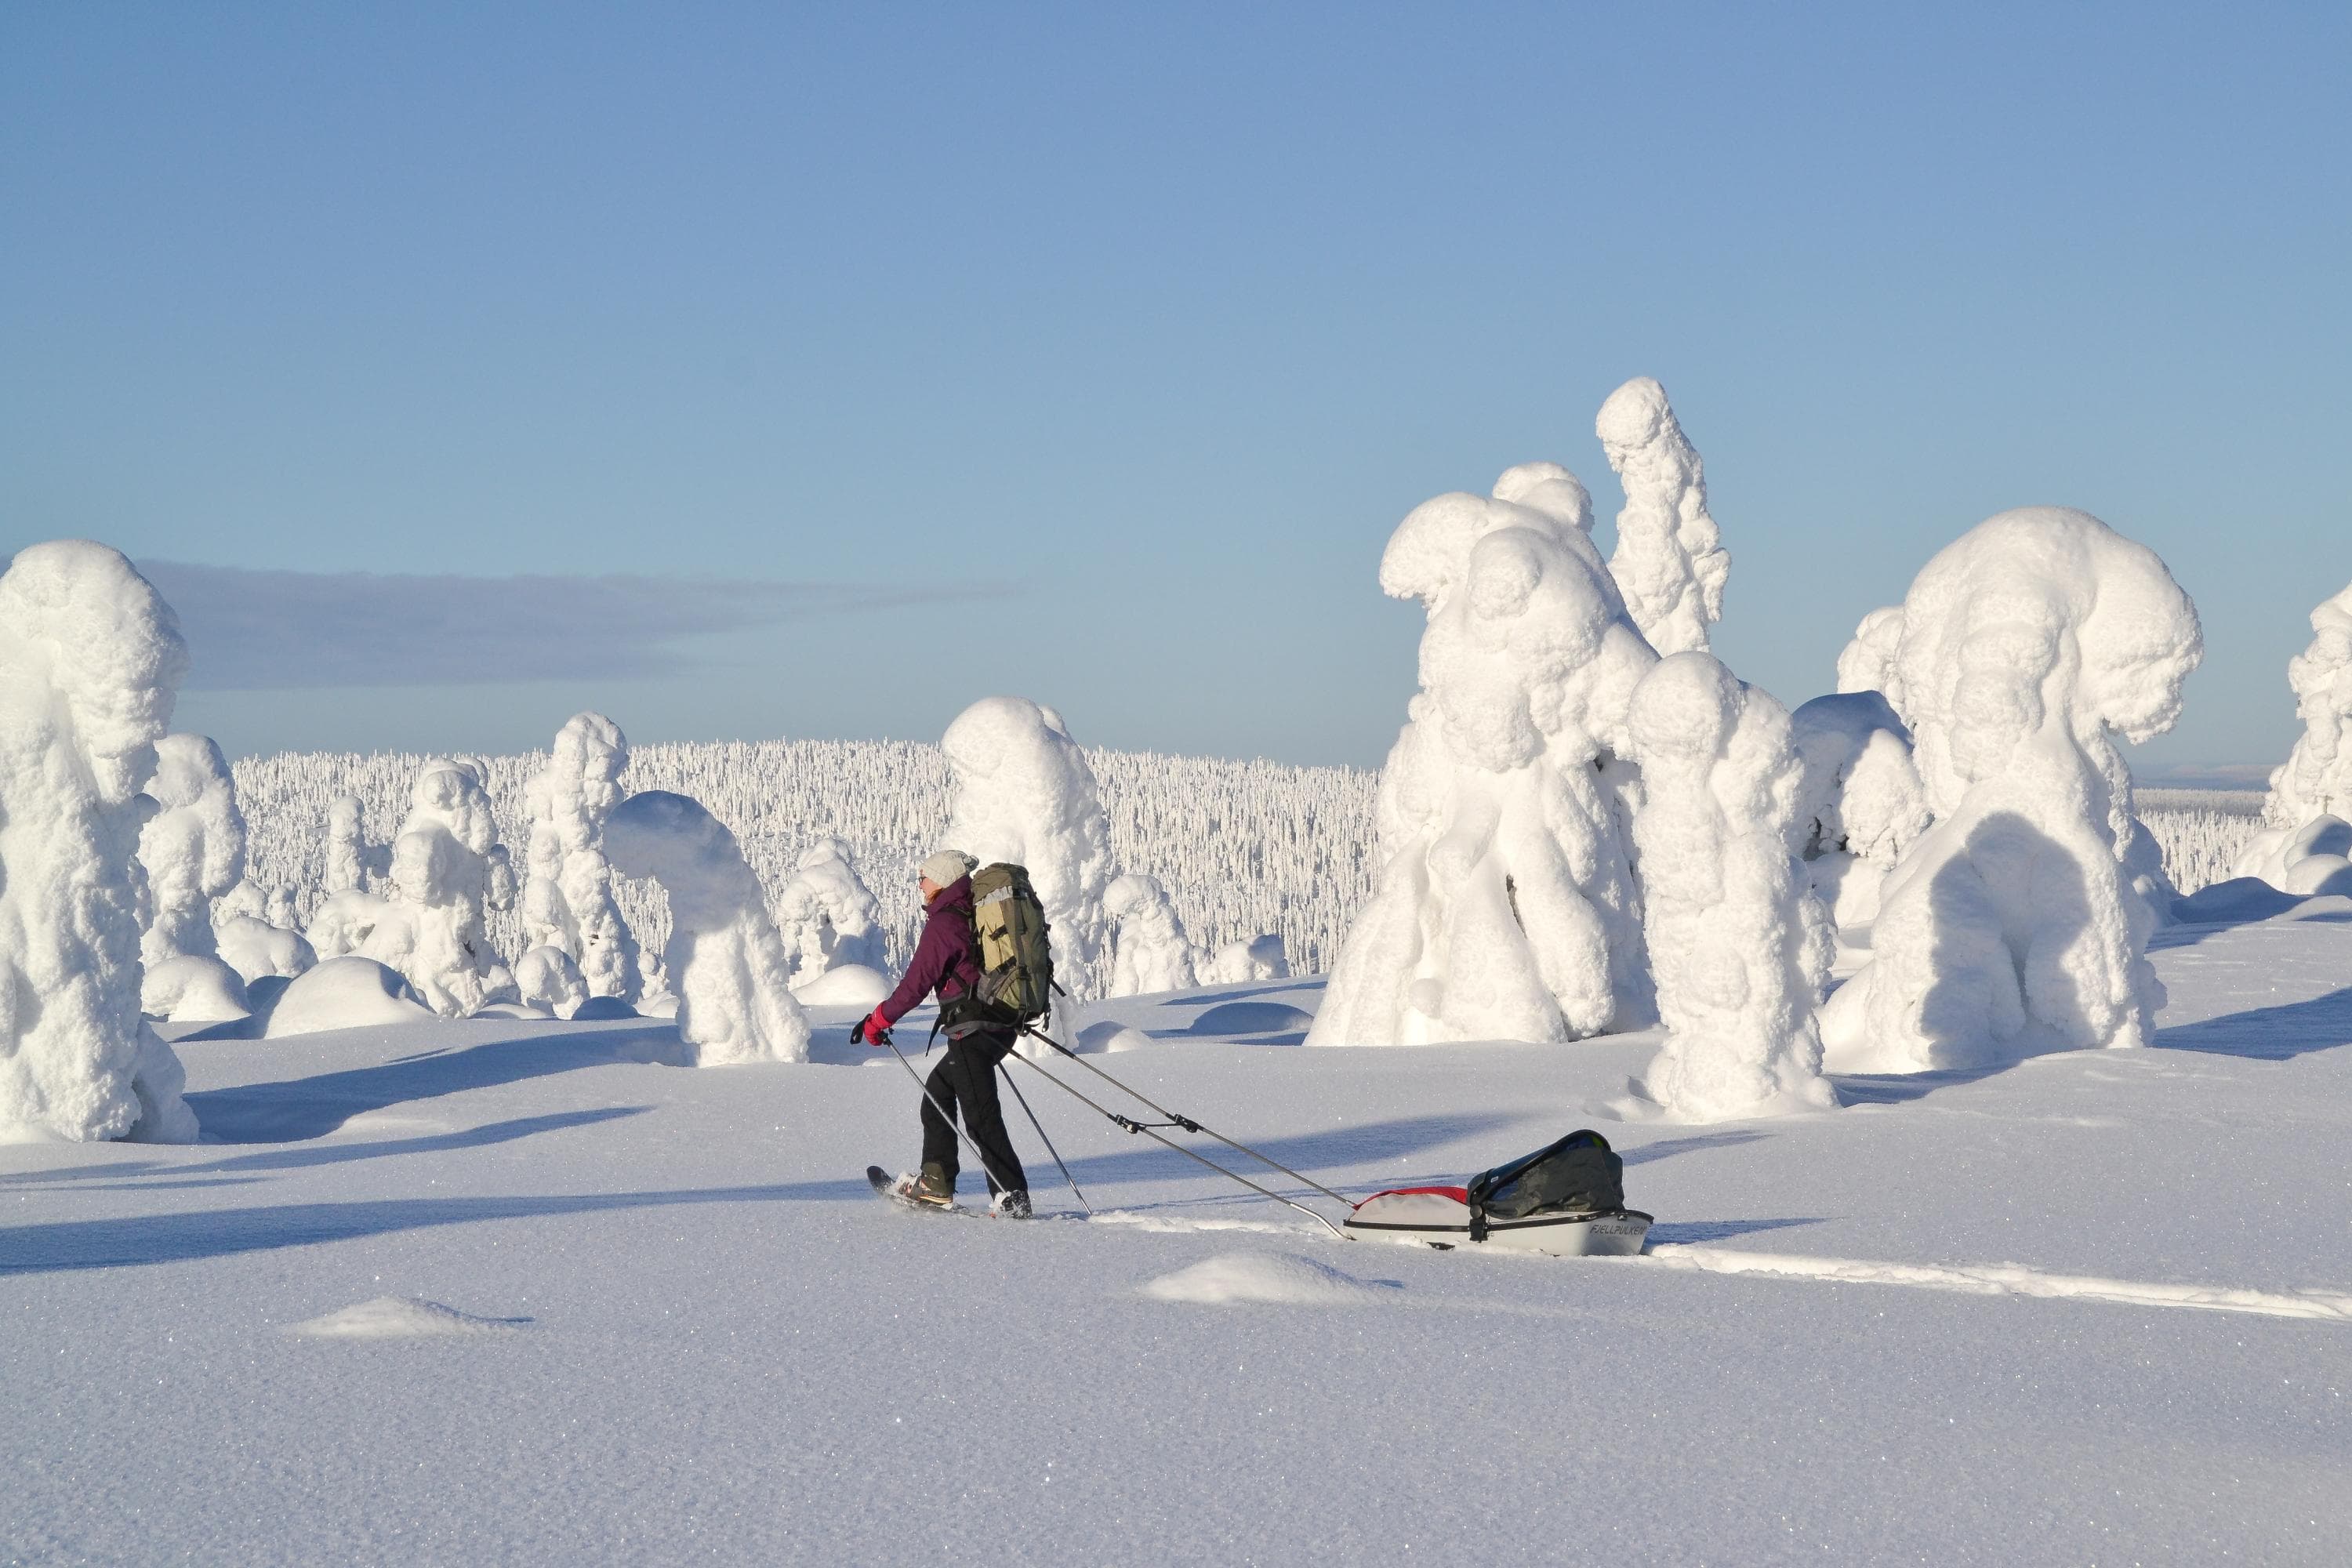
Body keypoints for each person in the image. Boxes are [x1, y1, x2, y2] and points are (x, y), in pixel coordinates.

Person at [858, 850, 1031, 1217]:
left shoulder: (945, 923)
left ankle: (1013, 1197)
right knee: (937, 1096)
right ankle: (936, 1183)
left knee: (981, 1117)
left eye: (924, 877)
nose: (919, 884)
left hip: (974, 1030)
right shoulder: (972, 911)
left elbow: (915, 984)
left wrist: (878, 1020)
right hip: (997, 1024)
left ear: (942, 880)